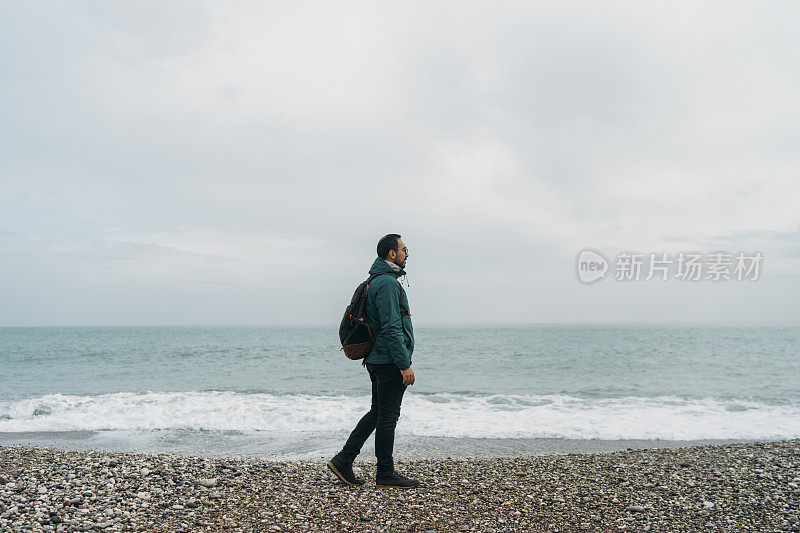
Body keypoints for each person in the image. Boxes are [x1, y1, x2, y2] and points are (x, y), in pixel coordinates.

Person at [327, 233, 419, 488]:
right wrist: (404, 364)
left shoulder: (374, 280)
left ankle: (344, 460)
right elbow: (391, 327)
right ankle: (385, 473)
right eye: (404, 249)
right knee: (388, 416)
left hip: (375, 359)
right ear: (392, 254)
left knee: (378, 412)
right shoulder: (387, 284)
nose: (407, 253)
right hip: (388, 360)